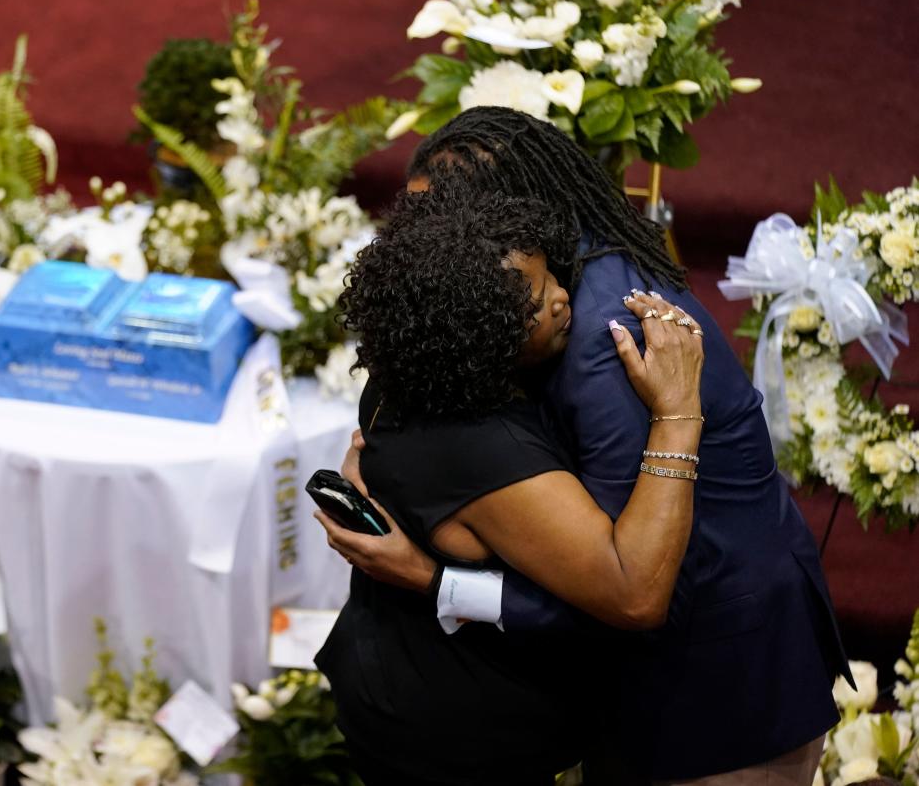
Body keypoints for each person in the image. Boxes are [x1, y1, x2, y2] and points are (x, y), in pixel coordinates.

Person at [319, 106, 850, 784]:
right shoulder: (509, 292)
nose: (422, 233)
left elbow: (629, 586)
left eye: (443, 211)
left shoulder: (605, 336)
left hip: (716, 690)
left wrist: (438, 581)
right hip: (627, 688)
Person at [315, 187, 707, 784]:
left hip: (387, 675)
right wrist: (678, 414)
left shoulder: (405, 370)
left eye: (550, 276)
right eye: (530, 304)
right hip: (458, 734)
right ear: (473, 328)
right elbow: (635, 593)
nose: (559, 300)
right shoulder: (487, 453)